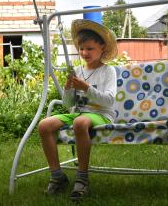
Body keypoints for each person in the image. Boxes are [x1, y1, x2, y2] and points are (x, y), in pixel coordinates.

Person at [38, 19, 118, 201]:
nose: (84, 53)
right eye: (82, 48)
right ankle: (57, 176)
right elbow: (68, 104)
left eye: (90, 48)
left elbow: (109, 101)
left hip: (101, 115)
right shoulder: (78, 70)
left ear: (102, 48)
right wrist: (68, 87)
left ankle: (82, 178)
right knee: (44, 125)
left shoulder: (108, 71)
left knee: (80, 122)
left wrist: (86, 88)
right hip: (78, 113)